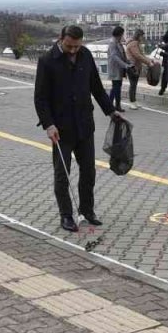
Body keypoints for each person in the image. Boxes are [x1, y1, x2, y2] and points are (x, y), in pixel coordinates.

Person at [34, 26, 123, 232]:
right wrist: (48, 125)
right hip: (61, 129)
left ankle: (87, 210)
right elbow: (40, 98)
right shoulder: (47, 60)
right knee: (62, 174)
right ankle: (66, 215)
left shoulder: (85, 55)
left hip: (84, 125)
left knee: (89, 171)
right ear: (61, 39)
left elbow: (96, 87)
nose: (73, 50)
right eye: (69, 46)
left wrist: (111, 111)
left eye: (77, 46)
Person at [124, 29, 156, 110]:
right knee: (133, 85)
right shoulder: (133, 44)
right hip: (132, 67)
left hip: (136, 67)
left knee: (134, 85)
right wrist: (148, 63)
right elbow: (137, 55)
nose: (143, 37)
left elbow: (142, 55)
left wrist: (150, 60)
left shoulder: (136, 43)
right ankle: (132, 103)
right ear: (138, 35)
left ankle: (134, 102)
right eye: (142, 35)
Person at [106, 26, 131, 113]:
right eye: (122, 34)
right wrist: (125, 65)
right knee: (116, 87)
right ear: (119, 34)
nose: (122, 35)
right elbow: (114, 56)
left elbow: (122, 55)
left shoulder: (117, 42)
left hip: (118, 68)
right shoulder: (113, 43)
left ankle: (110, 104)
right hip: (115, 68)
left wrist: (128, 63)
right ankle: (116, 105)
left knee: (116, 87)